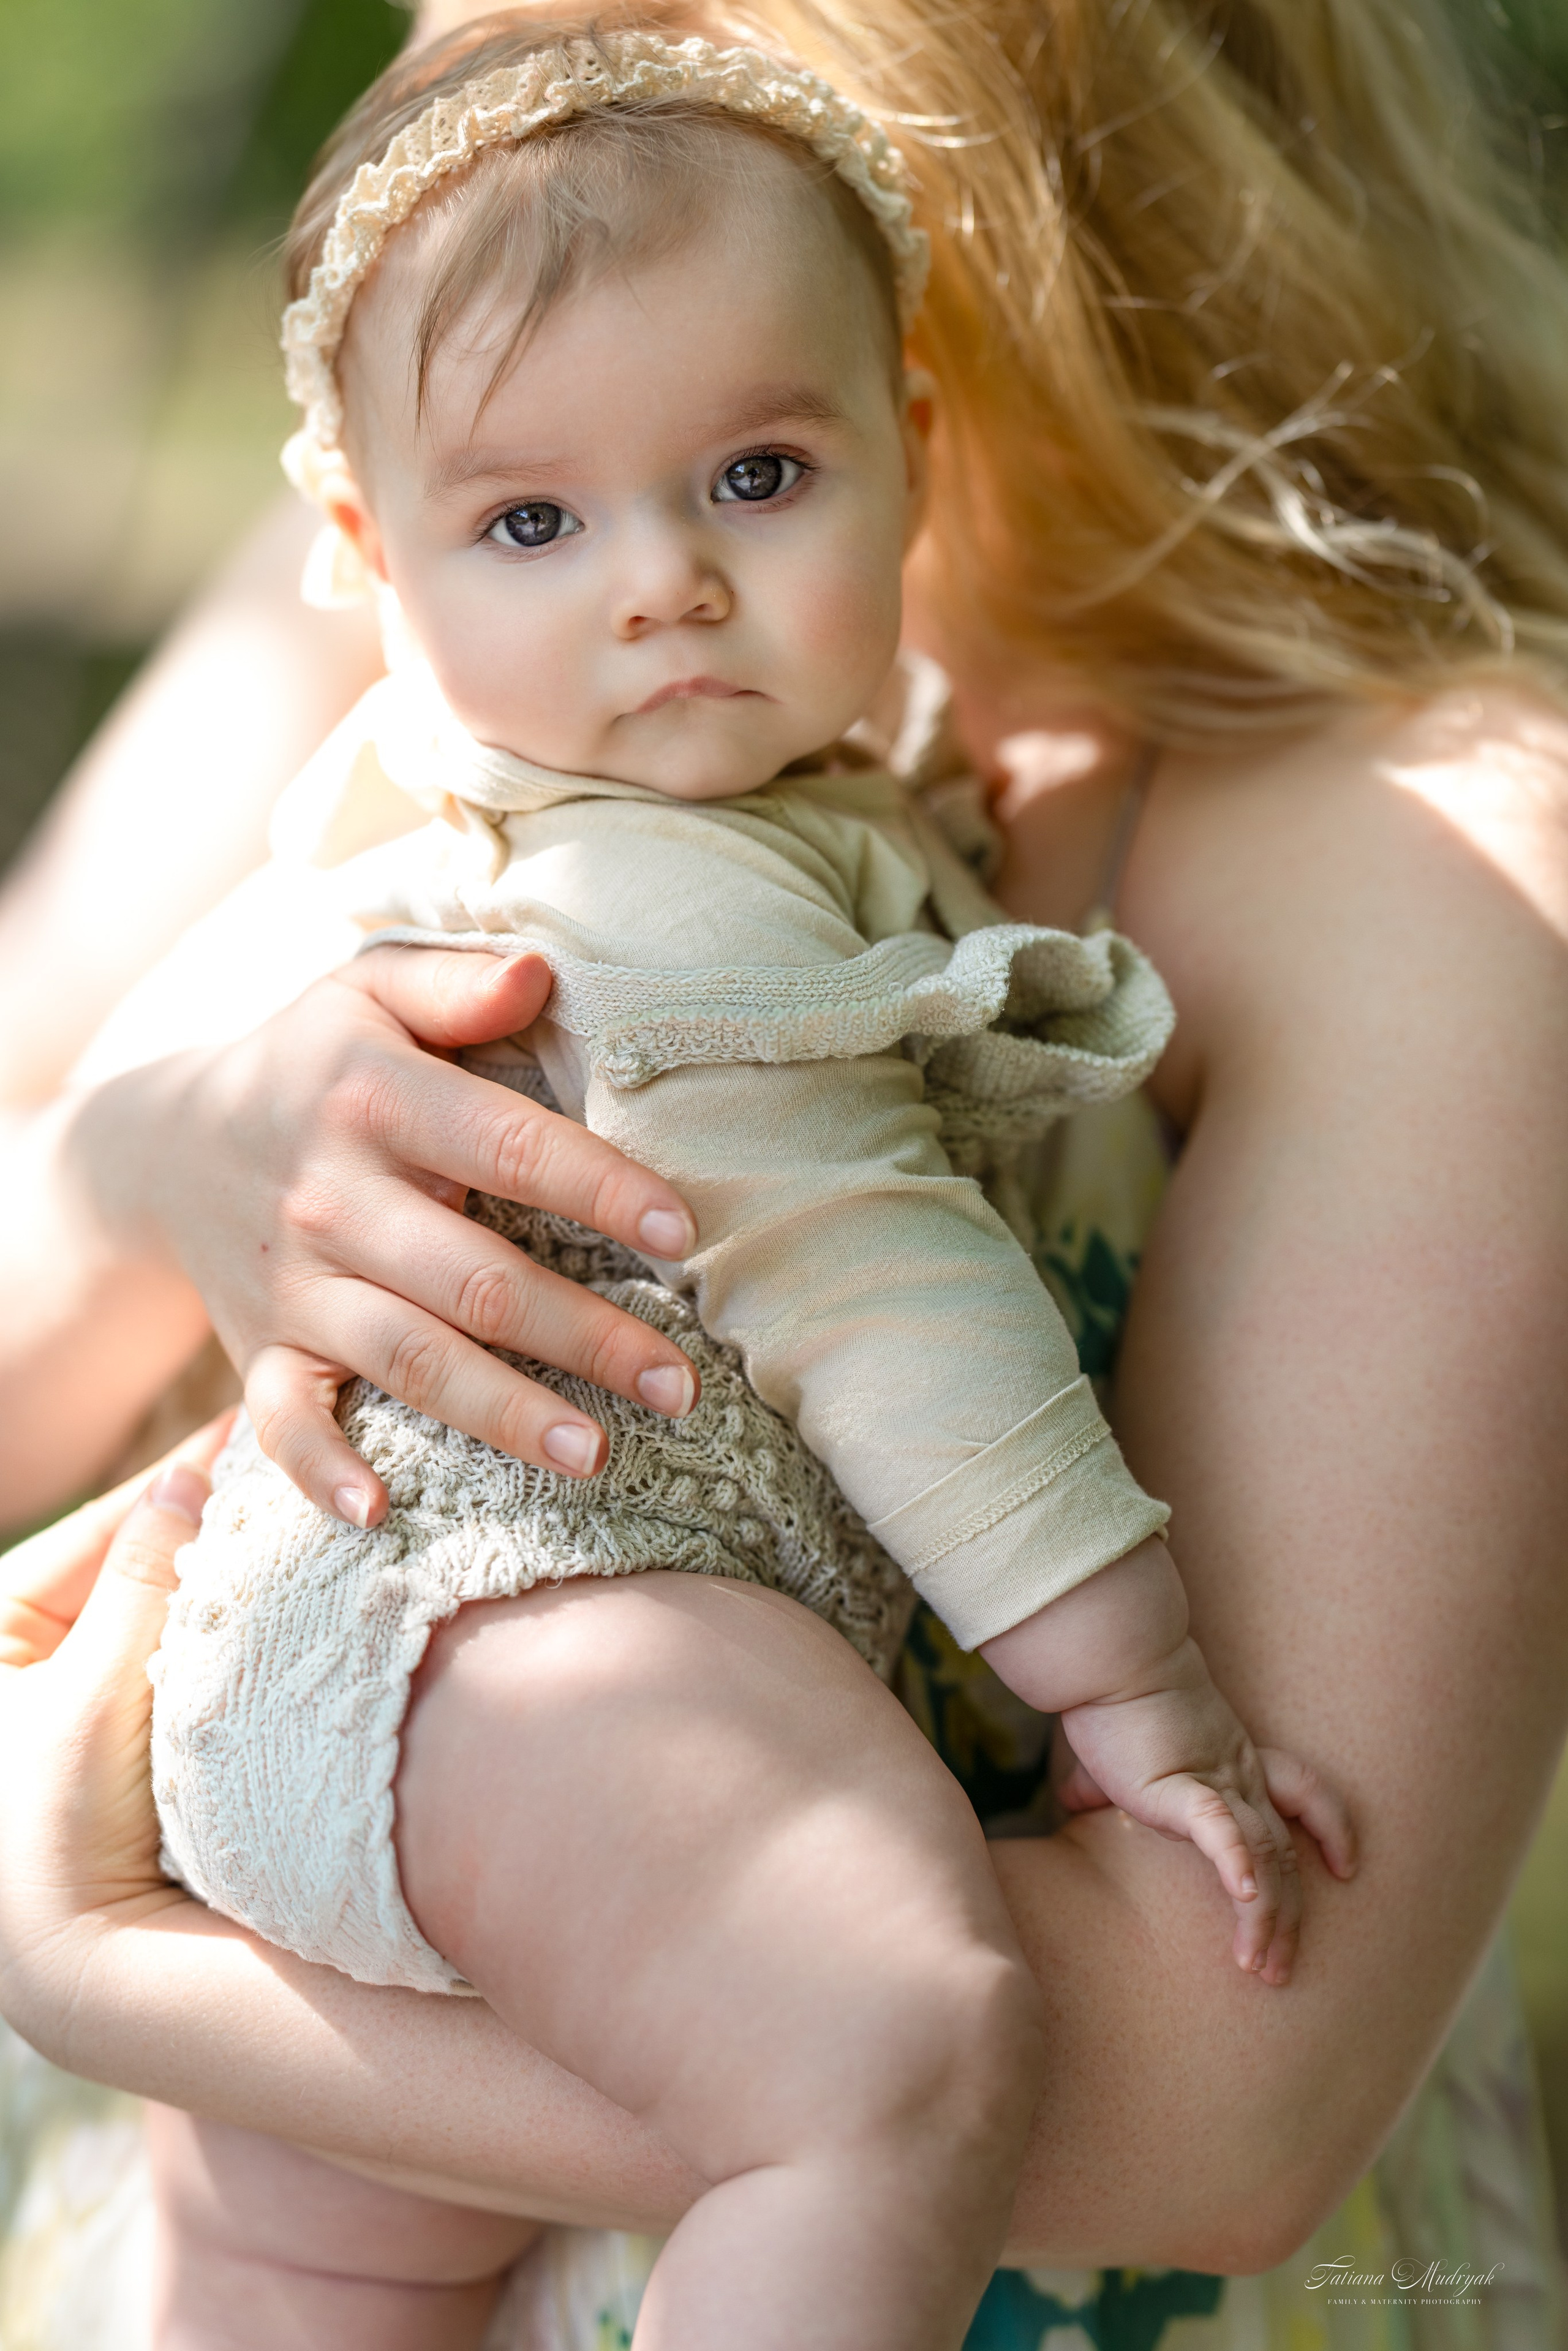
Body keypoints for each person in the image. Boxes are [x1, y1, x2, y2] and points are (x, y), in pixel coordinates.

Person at [0, 0, 1564, 2345]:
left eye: (753, 475)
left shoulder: (1437, 858)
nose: (640, 583)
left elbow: (1228, 2101)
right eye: (530, 520)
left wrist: (117, 1964)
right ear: (383, 533)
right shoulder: (430, 560)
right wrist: (145, 1172)